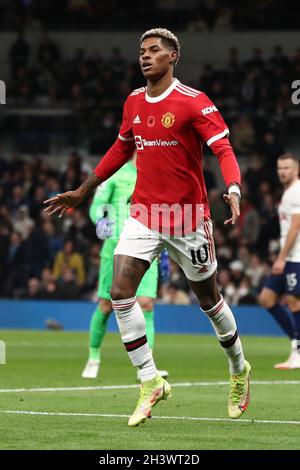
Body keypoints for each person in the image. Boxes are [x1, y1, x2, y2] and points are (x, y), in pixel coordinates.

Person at [44, 28, 251, 427]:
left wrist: (235, 187)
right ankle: (149, 379)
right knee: (120, 292)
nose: (145, 56)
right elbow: (121, 148)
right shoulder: (134, 102)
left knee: (210, 301)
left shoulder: (193, 102)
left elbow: (223, 148)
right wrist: (83, 191)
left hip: (189, 217)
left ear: (173, 56)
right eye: (142, 51)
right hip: (145, 213)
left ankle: (239, 368)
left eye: (155, 50)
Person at [81, 152, 168, 380]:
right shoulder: (116, 172)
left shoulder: (158, 174)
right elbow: (98, 205)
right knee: (106, 305)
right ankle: (93, 357)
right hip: (116, 249)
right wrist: (107, 229)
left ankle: (147, 367)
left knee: (147, 304)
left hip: (149, 246)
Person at [259, 153, 300, 369]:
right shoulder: (287, 193)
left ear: (296, 169)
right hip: (288, 254)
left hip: (296, 256)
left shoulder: (296, 192)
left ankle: (298, 351)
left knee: (294, 301)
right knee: (267, 298)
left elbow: (296, 226)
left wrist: (282, 258)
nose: (282, 171)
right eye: (280, 167)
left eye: (286, 167)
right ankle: (296, 342)